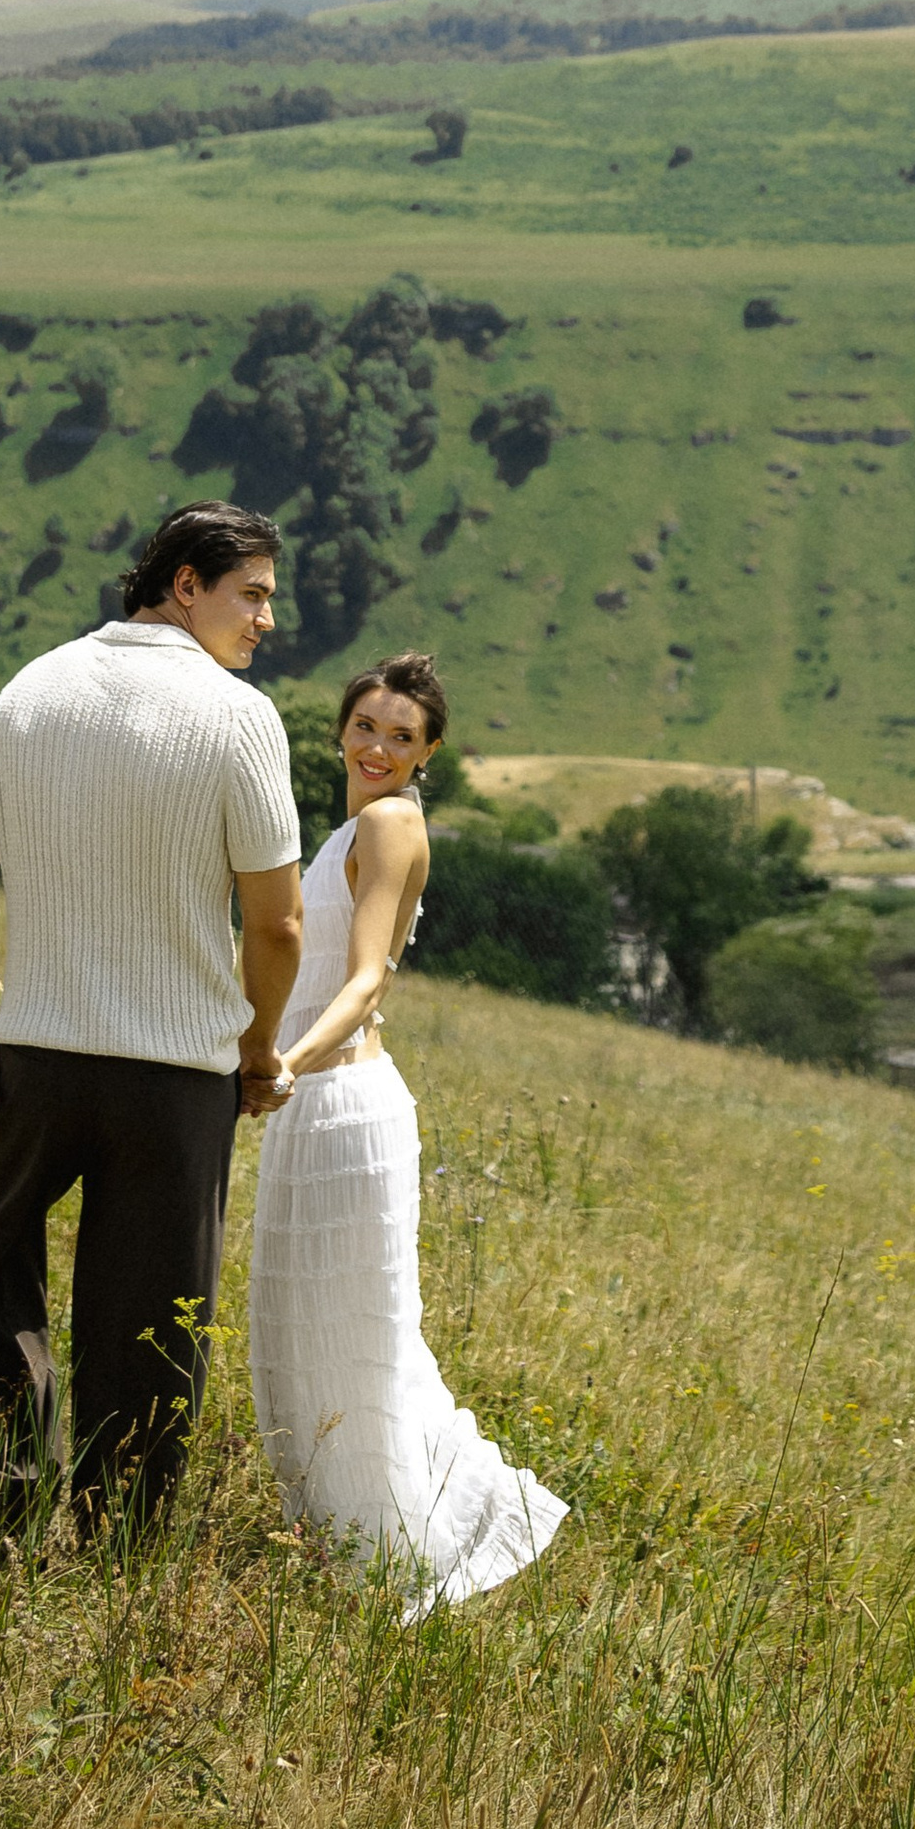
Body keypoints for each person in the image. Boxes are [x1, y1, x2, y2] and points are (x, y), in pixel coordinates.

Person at [0, 501, 305, 1534]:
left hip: (31, 1061)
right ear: (185, 583)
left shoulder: (30, 686)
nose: (268, 618)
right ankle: (116, 1540)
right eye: (255, 593)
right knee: (146, 1324)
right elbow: (276, 922)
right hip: (174, 1076)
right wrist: (258, 1045)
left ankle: (5, 1508)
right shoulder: (238, 715)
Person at [250, 651, 569, 1613]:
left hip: (342, 1105)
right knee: (305, 1331)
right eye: (366, 727)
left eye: (402, 735)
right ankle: (338, 1541)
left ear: (428, 752)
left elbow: (364, 981)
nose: (379, 747)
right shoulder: (352, 823)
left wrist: (281, 1065)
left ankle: (400, 1546)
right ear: (340, 730)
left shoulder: (390, 824)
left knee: (351, 1338)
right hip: (317, 1105)